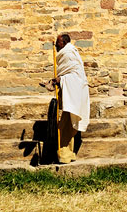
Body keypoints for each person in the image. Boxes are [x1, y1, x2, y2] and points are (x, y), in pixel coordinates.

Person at [44, 33, 90, 163]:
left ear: (64, 42)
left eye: (58, 42)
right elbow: (70, 73)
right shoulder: (68, 54)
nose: (56, 44)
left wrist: (60, 79)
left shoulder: (69, 54)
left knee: (65, 126)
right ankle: (68, 155)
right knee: (67, 124)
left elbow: (74, 76)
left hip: (74, 94)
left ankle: (64, 155)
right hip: (71, 93)